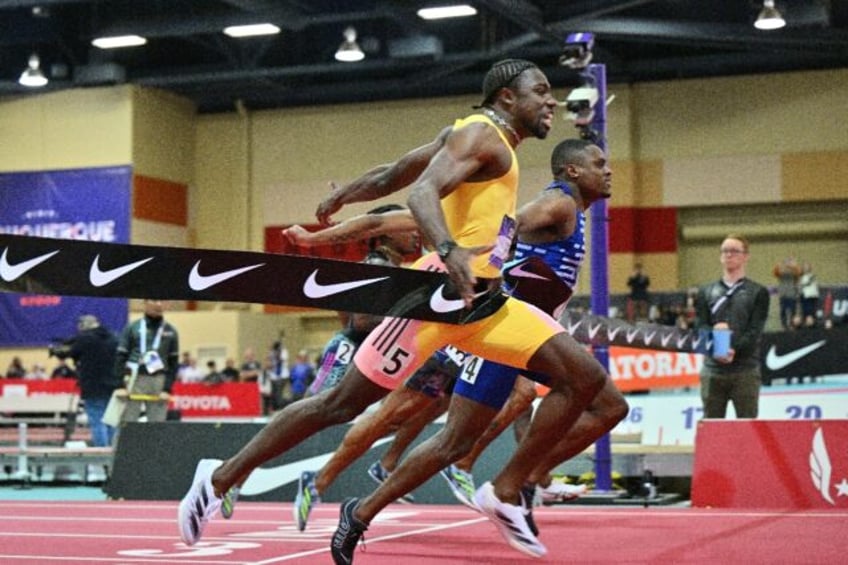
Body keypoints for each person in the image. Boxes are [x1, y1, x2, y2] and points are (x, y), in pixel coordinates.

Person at [177, 59, 610, 561]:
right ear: (508, 98)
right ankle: (220, 475)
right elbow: (421, 191)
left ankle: (506, 490)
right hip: (433, 297)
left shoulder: (483, 141)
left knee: (583, 379)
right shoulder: (481, 135)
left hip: (486, 303)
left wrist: (343, 194)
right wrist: (448, 251)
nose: (551, 102)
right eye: (540, 92)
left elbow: (393, 173)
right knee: (340, 405)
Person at [695, 235, 770, 418]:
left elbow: (754, 331)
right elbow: (701, 326)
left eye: (734, 251)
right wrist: (715, 347)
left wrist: (732, 349)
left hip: (745, 370)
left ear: (745, 256)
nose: (729, 255)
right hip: (713, 371)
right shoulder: (706, 291)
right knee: (712, 428)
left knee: (748, 428)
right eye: (725, 251)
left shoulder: (758, 292)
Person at [49, 314, 121, 447]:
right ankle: (115, 454)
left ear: (82, 326)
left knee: (98, 421)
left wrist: (55, 350)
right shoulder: (115, 338)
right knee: (112, 422)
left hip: (92, 386)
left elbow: (66, 352)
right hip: (114, 386)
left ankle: (102, 456)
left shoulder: (84, 339)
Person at [114, 299, 180, 423]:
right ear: (144, 303)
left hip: (159, 380)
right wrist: (119, 385)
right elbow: (120, 357)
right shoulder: (132, 328)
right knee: (127, 422)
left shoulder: (171, 331)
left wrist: (167, 389)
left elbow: (174, 363)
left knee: (157, 424)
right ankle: (126, 443)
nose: (158, 304)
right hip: (133, 378)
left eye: (162, 301)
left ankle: (155, 443)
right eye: (154, 300)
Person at [773, 256, 800, 330]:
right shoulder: (781, 271)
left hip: (791, 293)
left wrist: (794, 266)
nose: (788, 263)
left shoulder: (794, 271)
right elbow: (775, 273)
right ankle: (784, 325)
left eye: (789, 262)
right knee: (783, 311)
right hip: (783, 293)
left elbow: (798, 274)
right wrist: (778, 265)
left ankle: (792, 325)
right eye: (786, 262)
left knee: (792, 311)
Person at [798, 262, 820, 328]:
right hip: (805, 297)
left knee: (811, 313)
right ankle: (806, 325)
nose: (805, 268)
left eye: (807, 267)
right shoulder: (801, 277)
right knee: (806, 312)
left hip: (812, 297)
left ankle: (812, 325)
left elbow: (807, 283)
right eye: (804, 267)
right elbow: (800, 286)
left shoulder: (812, 276)